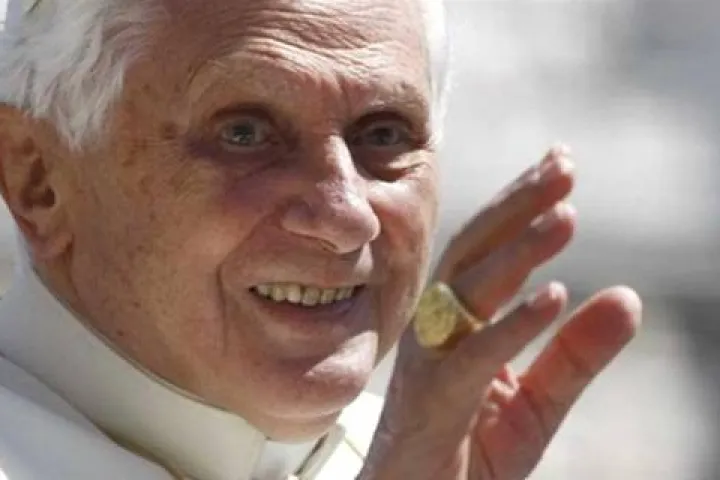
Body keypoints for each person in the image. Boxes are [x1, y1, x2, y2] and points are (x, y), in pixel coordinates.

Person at [0, 0, 642, 479]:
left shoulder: (451, 458)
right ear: (38, 180)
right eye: (244, 134)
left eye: (383, 135)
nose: (346, 216)